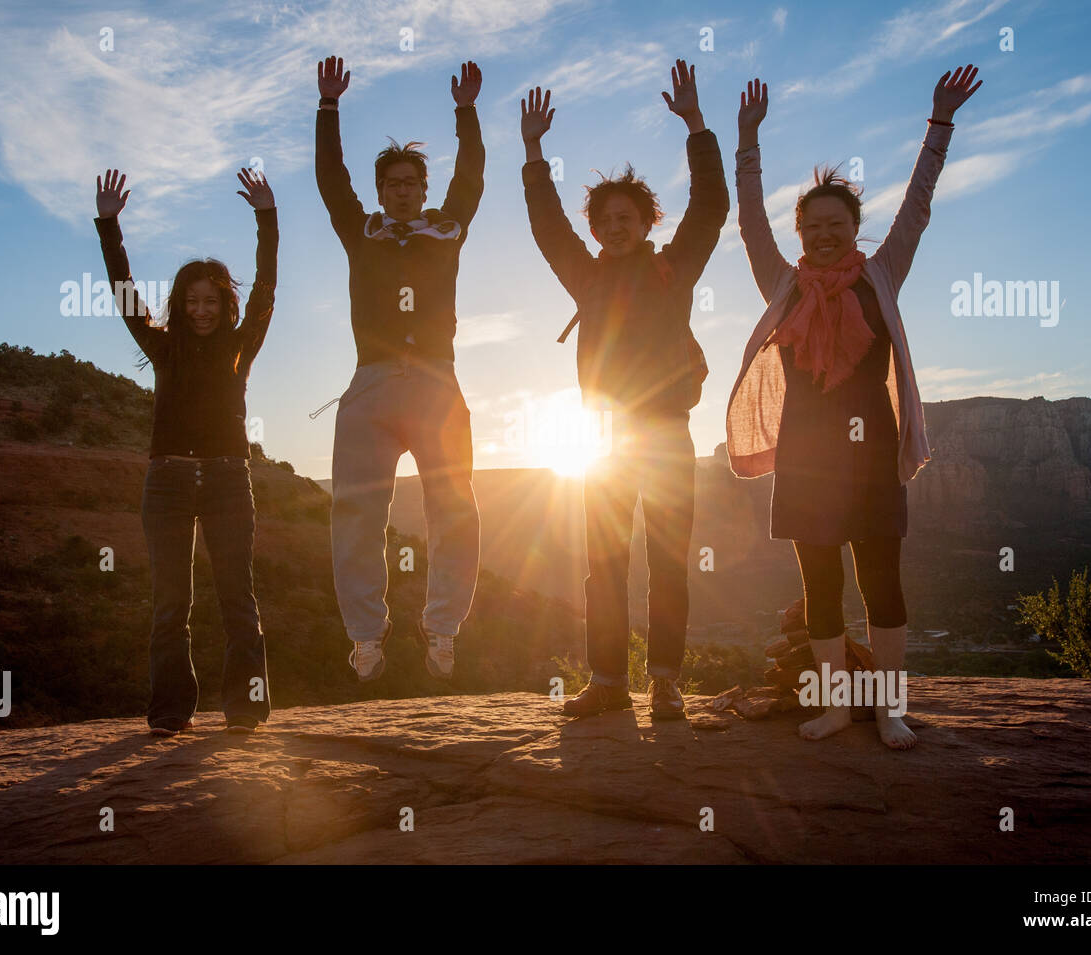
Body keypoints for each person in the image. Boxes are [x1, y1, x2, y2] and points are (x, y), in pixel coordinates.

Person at [725, 66, 982, 749]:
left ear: (856, 228)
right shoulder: (782, 282)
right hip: (806, 455)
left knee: (881, 579)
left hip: (870, 453)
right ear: (801, 230)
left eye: (836, 225)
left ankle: (889, 707)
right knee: (820, 584)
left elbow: (919, 206)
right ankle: (838, 705)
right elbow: (748, 219)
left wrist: (940, 124)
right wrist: (747, 140)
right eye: (813, 226)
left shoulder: (883, 272)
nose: (824, 236)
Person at [521, 59, 729, 719]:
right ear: (596, 228)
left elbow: (712, 205)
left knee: (668, 564)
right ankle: (608, 681)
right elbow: (546, 227)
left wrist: (696, 124)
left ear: (645, 220)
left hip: (666, 433)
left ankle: (664, 680)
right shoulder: (586, 276)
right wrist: (532, 153)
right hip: (604, 440)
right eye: (604, 218)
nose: (614, 224)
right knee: (603, 566)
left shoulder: (673, 269)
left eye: (626, 215)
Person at [314, 56, 484, 683]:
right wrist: (328, 107)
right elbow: (330, 180)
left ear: (423, 188)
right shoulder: (362, 233)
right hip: (373, 382)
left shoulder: (448, 230)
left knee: (455, 507)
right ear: (382, 191)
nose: (404, 191)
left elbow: (473, 176)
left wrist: (466, 113)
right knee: (356, 514)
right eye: (393, 184)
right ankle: (365, 636)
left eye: (413, 182)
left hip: (438, 382)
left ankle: (441, 629)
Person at [94, 166, 278, 736]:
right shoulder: (161, 345)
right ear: (178, 304)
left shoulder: (242, 346)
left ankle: (246, 709)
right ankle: (172, 712)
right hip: (168, 481)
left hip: (227, 479)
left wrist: (267, 218)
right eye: (190, 300)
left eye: (211, 300)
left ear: (226, 305)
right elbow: (124, 291)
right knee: (171, 604)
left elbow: (267, 288)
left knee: (236, 599)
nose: (201, 309)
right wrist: (108, 226)